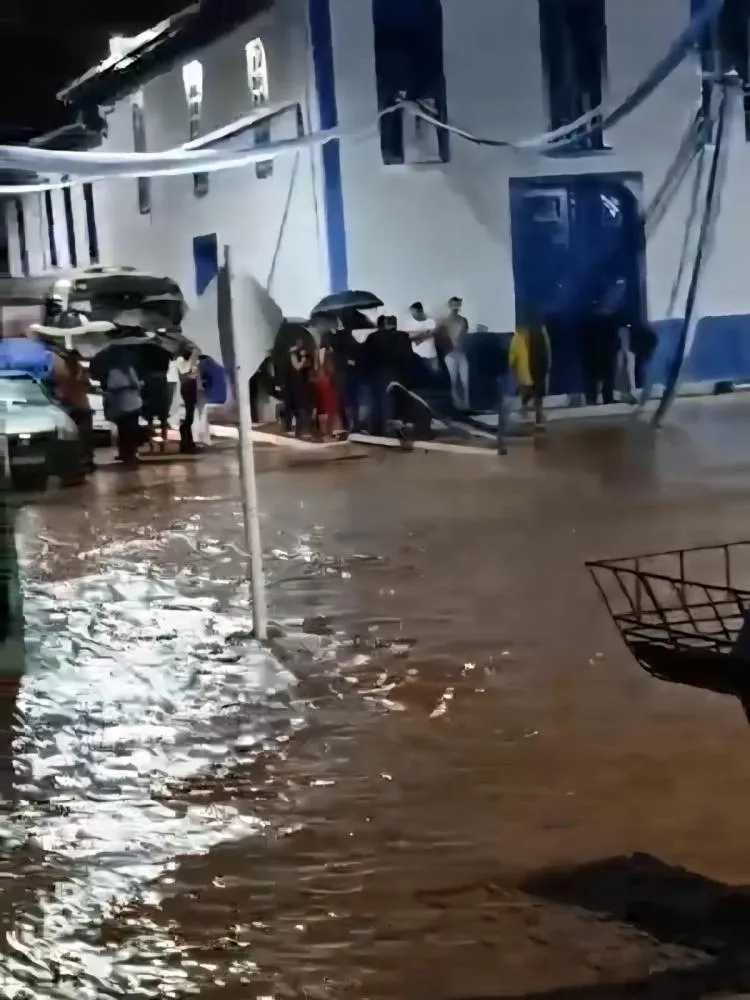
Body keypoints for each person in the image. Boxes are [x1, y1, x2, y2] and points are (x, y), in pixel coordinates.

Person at [52, 349, 95, 472]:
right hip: (80, 405)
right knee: (85, 435)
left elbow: (57, 388)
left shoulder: (61, 370)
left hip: (67, 406)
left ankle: (75, 460)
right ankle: (86, 460)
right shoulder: (79, 371)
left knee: (71, 435)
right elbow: (88, 386)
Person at [102, 347, 142, 467]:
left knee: (132, 430)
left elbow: (136, 385)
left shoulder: (131, 370)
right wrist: (128, 387)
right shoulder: (114, 372)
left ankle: (130, 454)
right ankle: (125, 454)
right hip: (122, 405)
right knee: (125, 431)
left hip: (134, 403)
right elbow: (112, 389)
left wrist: (137, 385)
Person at [509, 319, 551, 428]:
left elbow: (547, 350)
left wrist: (547, 365)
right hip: (526, 372)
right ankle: (527, 410)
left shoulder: (540, 333)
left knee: (537, 392)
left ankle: (538, 414)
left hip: (538, 368)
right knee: (529, 391)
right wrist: (515, 376)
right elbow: (512, 360)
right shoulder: (519, 338)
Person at [579, 310, 621, 406]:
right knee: (607, 377)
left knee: (592, 378)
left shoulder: (587, 322)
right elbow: (615, 338)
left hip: (591, 353)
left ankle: (591, 398)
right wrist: (614, 349)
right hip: (606, 353)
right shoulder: (609, 321)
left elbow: (581, 339)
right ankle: (607, 398)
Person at [436, 295, 471, 411]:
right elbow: (441, 338)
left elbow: (465, 337)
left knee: (465, 380)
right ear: (450, 305)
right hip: (450, 354)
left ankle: (465, 404)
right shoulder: (445, 322)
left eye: (457, 304)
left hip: (461, 353)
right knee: (453, 381)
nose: (456, 306)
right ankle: (456, 404)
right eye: (454, 304)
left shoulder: (463, 320)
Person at [176, 348, 201, 454]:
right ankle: (185, 441)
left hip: (192, 386)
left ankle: (189, 442)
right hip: (187, 387)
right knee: (188, 416)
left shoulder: (191, 361)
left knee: (190, 416)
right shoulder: (180, 360)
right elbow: (184, 370)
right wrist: (194, 355)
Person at [406, 302, 440, 377]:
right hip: (416, 357)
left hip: (430, 356)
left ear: (420, 311)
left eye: (414, 312)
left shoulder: (431, 322)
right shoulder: (410, 323)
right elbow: (409, 337)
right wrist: (424, 335)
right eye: (412, 313)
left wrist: (419, 338)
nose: (413, 315)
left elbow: (432, 333)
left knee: (434, 377)